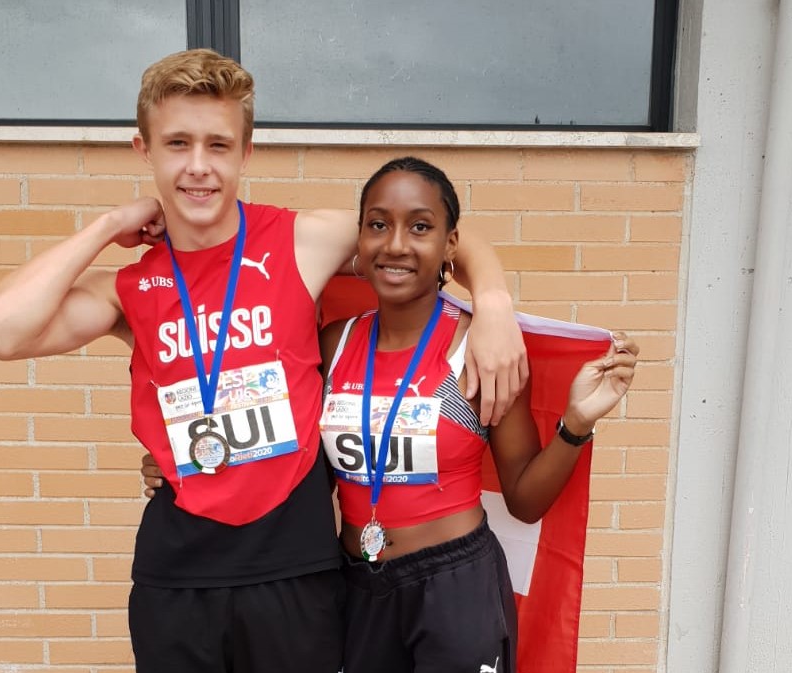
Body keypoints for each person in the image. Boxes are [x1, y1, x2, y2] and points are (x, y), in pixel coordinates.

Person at [0, 49, 528, 673]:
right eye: (178, 144)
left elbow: (437, 229)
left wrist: (496, 307)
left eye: (219, 145)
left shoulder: (299, 241)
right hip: (178, 573)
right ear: (143, 150)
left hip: (294, 565)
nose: (199, 167)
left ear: (246, 152)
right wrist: (108, 223)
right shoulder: (128, 288)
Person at [142, 156, 640, 672]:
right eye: (378, 224)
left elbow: (525, 500)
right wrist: (185, 460)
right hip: (356, 583)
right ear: (359, 240)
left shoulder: (482, 350)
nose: (396, 244)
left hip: (454, 587)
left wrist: (576, 425)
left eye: (420, 227)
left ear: (450, 245)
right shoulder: (333, 345)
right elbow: (271, 443)